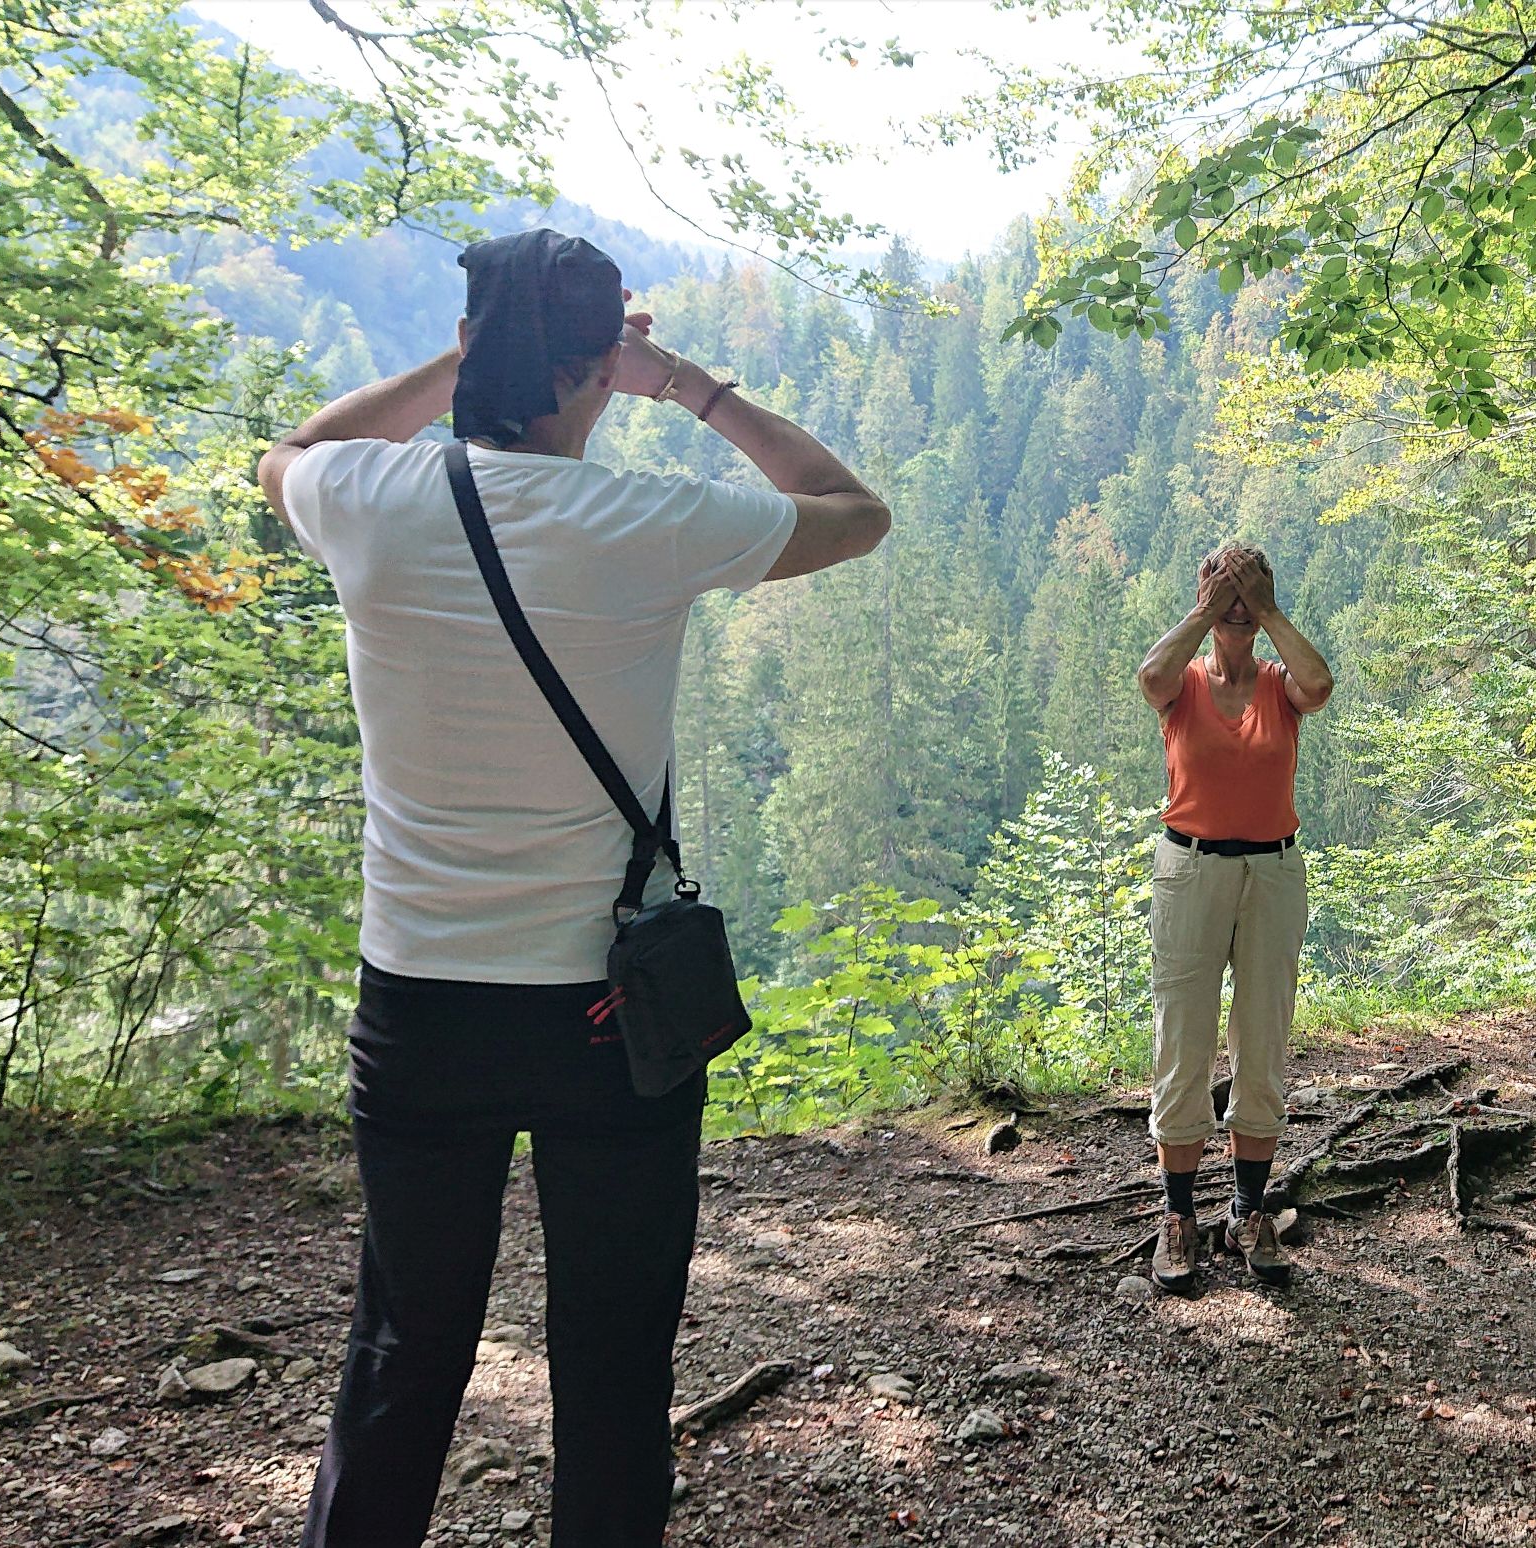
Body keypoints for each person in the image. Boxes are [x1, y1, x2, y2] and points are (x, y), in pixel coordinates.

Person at [257, 229, 889, 1547]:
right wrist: (690, 389)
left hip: (419, 1011)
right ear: (602, 363)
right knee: (611, 1371)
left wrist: (459, 363)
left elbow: (288, 454)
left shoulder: (367, 503)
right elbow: (854, 509)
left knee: (400, 1355)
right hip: (608, 1023)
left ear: (477, 349)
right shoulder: (646, 524)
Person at [1134, 543, 1334, 1288]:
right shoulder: (1181, 685)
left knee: (1263, 1035)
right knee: (1181, 1035)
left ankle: (1248, 1210)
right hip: (1189, 869)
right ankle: (1177, 1215)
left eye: (1252, 586)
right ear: (1205, 594)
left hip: (1274, 870)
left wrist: (1269, 610)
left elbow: (1322, 683)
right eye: (1227, 586)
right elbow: (1148, 676)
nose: (1239, 599)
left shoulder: (1282, 686)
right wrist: (1207, 609)